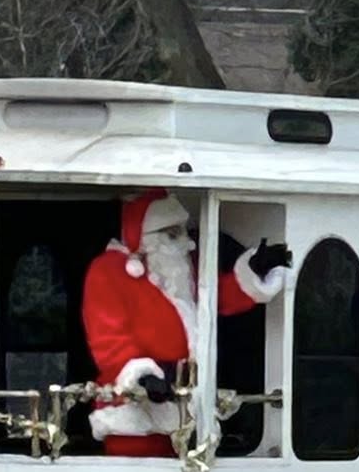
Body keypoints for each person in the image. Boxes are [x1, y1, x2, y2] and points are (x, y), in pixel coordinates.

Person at [82, 192, 295, 457]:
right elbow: (107, 336)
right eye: (174, 234)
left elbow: (213, 301)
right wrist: (141, 374)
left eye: (186, 232)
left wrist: (253, 271)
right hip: (135, 407)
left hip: (184, 404)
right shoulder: (109, 271)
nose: (188, 244)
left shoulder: (179, 272)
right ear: (145, 238)